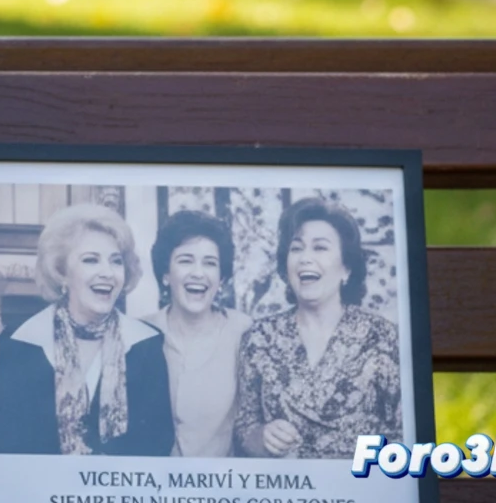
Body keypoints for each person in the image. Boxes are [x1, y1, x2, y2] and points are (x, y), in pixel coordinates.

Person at [0, 204, 176, 456]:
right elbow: (8, 449)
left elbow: (157, 445)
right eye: (91, 260)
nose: (107, 273)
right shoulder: (20, 343)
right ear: (61, 272)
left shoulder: (147, 344)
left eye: (116, 261)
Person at [234, 197, 404, 459]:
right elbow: (245, 429)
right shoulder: (259, 338)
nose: (305, 259)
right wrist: (262, 437)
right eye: (297, 248)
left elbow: (403, 433)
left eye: (320, 248)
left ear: (346, 268)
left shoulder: (382, 337)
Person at [142, 210, 251, 457]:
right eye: (185, 260)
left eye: (210, 263)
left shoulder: (244, 332)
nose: (198, 273)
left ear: (221, 278)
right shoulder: (139, 335)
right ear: (166, 274)